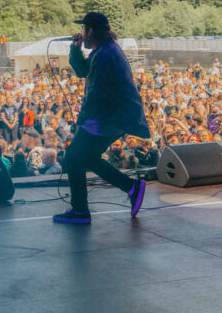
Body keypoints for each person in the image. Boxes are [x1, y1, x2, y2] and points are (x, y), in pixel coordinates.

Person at [54, 12, 150, 225]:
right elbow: (82, 71)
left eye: (83, 30)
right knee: (84, 157)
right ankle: (130, 187)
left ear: (90, 31)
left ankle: (80, 211)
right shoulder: (105, 50)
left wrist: (81, 123)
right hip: (113, 117)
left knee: (72, 157)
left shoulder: (106, 55)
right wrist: (75, 48)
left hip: (109, 118)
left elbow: (98, 94)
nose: (81, 34)